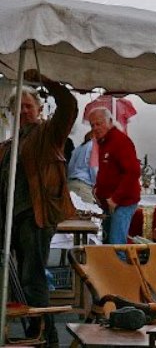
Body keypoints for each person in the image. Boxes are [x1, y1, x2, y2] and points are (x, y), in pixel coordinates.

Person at [0, 71, 77, 347]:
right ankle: (33, 332)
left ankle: (46, 337)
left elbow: (68, 106)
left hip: (36, 216)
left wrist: (50, 82)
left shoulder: (49, 134)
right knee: (18, 279)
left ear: (39, 108)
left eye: (28, 105)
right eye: (18, 107)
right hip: (12, 221)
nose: (23, 111)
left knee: (32, 278)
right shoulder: (8, 146)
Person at [90, 107, 141, 245]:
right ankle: (111, 266)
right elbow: (107, 171)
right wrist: (97, 189)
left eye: (99, 123)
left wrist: (115, 199)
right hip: (109, 202)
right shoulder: (104, 142)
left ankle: (121, 266)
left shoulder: (120, 141)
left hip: (122, 202)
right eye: (92, 125)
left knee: (116, 245)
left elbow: (133, 172)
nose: (95, 128)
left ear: (110, 121)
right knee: (108, 243)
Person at [67, 132, 98, 204]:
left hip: (70, 185)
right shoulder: (94, 146)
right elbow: (94, 171)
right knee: (88, 213)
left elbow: (70, 167)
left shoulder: (79, 148)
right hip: (83, 188)